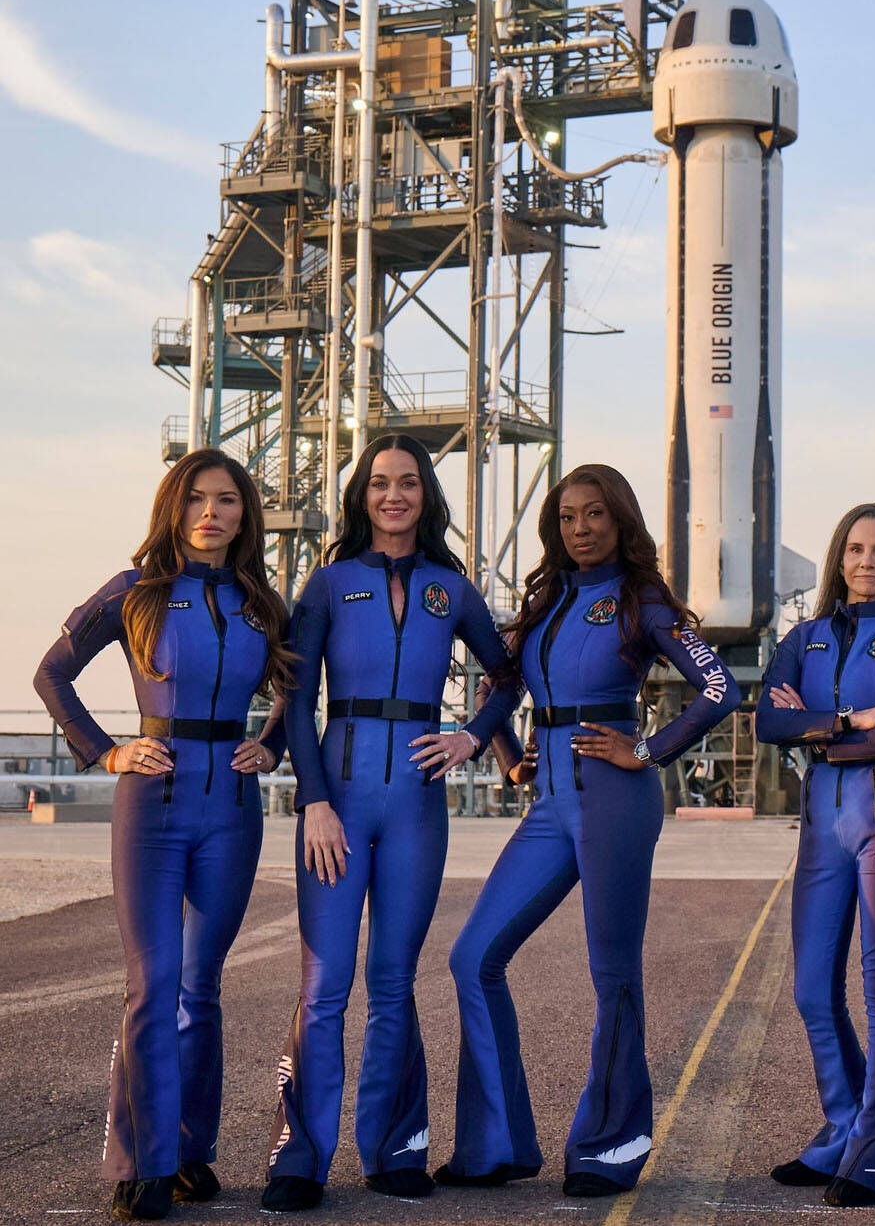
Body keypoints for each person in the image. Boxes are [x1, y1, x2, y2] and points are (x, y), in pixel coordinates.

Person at [434, 463, 739, 1199]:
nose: (581, 528)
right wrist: (506, 756)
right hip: (549, 804)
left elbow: (719, 687)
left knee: (612, 977)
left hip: (615, 798)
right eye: (568, 517)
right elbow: (502, 692)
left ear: (620, 520)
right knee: (473, 958)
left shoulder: (643, 603)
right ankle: (495, 1145)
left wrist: (648, 750)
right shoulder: (543, 605)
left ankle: (611, 1144)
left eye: (595, 514)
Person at [262, 435, 522, 1212]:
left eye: (408, 483)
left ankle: (394, 1148)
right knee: (324, 983)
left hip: (416, 808)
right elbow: (297, 703)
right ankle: (301, 1156)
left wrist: (475, 735)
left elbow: (509, 677)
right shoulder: (329, 583)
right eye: (379, 484)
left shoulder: (451, 587)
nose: (393, 496)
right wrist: (312, 800)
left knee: (393, 982)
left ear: (425, 496)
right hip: (335, 805)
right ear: (361, 496)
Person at [34, 449, 289, 1222]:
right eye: (196, 500)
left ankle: (186, 1152)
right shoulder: (135, 591)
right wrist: (103, 750)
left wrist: (272, 745)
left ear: (244, 515)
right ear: (173, 510)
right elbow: (52, 673)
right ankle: (140, 1163)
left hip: (232, 811)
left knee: (200, 987)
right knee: (152, 983)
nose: (211, 513)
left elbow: (299, 690)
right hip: (151, 806)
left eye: (227, 501)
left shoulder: (259, 601)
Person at [755, 503, 875, 1208]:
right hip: (821, 828)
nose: (866, 561)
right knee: (810, 989)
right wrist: (844, 720)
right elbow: (769, 720)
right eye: (856, 549)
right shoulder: (804, 637)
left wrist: (819, 736)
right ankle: (845, 1126)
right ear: (839, 559)